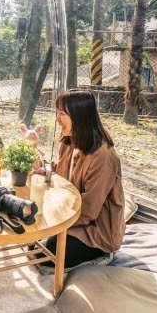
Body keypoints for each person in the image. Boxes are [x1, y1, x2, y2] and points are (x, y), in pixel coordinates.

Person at [39, 88, 125, 272]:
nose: (57, 119)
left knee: (44, 251)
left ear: (79, 117)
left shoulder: (103, 157)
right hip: (71, 218)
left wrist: (52, 223)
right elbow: (62, 172)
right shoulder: (70, 142)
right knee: (32, 240)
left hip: (96, 231)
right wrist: (43, 169)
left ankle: (102, 256)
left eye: (62, 114)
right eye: (58, 113)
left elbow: (89, 210)